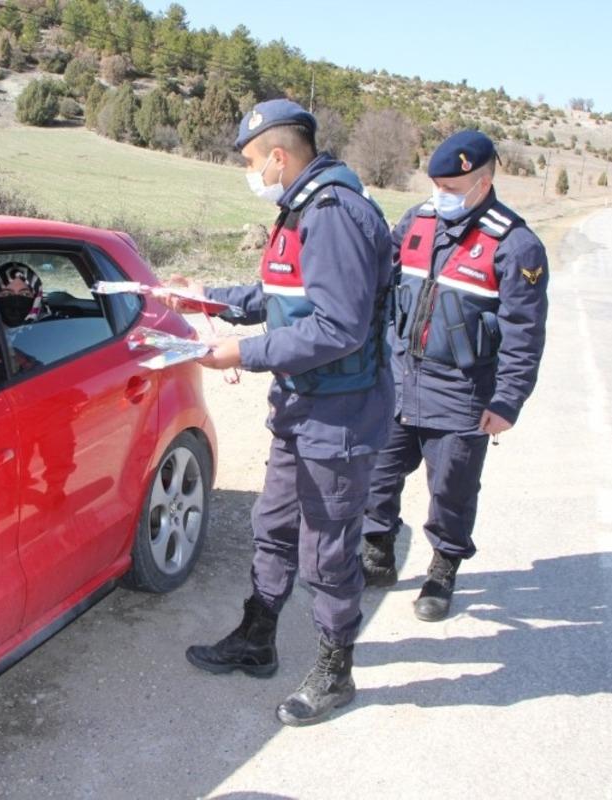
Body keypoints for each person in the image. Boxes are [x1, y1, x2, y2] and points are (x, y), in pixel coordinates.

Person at [169, 99, 395, 727]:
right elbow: (279, 295)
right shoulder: (300, 208)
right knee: (272, 526)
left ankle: (335, 669)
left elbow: (339, 328)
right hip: (302, 404)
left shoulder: (334, 213)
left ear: (278, 156)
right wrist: (206, 299)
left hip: (341, 413)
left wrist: (244, 352)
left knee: (328, 549)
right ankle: (257, 637)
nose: (251, 174)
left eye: (251, 162)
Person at [360, 130, 549, 622]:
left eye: (451, 187)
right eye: (436, 185)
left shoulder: (516, 245)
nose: (439, 195)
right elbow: (381, 286)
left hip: (462, 394)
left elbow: (525, 333)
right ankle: (377, 554)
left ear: (482, 184)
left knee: (452, 490)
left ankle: (442, 570)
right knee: (377, 473)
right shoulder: (417, 221)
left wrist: (507, 400)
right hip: (399, 380)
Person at [0, 261, 53, 327]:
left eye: (25, 294)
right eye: (6, 294)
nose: (16, 302)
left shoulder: (49, 327)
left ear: (36, 298)